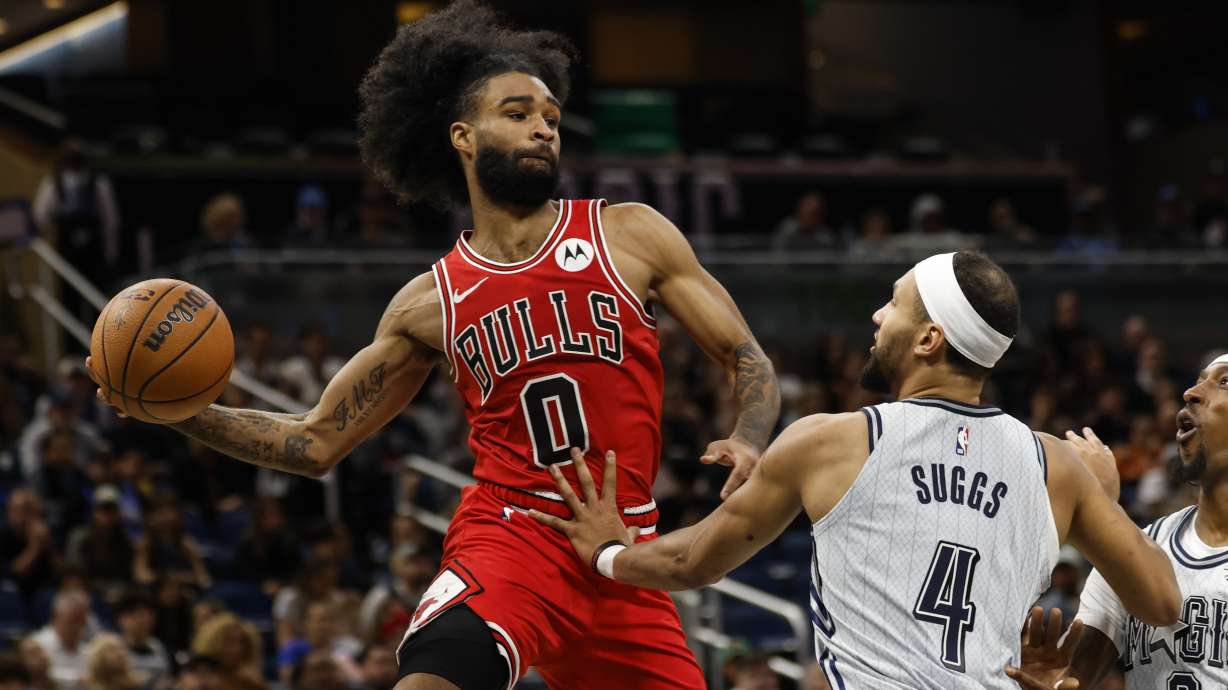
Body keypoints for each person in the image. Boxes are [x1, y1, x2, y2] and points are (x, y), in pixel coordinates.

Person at [87, 2, 779, 689]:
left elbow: (746, 358)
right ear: (463, 137)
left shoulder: (628, 234)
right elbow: (315, 441)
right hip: (512, 538)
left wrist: (748, 436)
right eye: (517, 113)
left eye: (550, 118)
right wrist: (182, 413)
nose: (543, 128)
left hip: (624, 548)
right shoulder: (431, 304)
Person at [531, 250, 1180, 689]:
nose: (877, 316)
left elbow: (691, 562)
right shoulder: (1054, 465)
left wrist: (608, 555)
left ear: (929, 339)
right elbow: (1160, 600)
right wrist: (1106, 498)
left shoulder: (833, 442)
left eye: (893, 305)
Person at [1011, 353, 1228, 689]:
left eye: (1224, 382)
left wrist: (1100, 501)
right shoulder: (1145, 550)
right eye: (1199, 379)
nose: (1191, 392)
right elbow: (1073, 678)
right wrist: (1052, 682)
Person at [31, 140, 122, 313]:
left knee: (97, 296)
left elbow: (111, 221)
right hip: (67, 251)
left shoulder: (99, 184)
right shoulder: (53, 184)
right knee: (69, 299)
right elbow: (40, 217)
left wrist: (111, 252)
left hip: (94, 250)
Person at [32, 591, 95, 690]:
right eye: (73, 621)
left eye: (82, 622)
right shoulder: (38, 645)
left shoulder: (88, 651)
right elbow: (40, 675)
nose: (78, 627)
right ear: (56, 617)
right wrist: (76, 680)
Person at [113, 591, 171, 689]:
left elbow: (165, 679)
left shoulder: (158, 647)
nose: (144, 620)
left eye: (148, 615)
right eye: (138, 615)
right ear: (122, 619)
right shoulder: (112, 649)